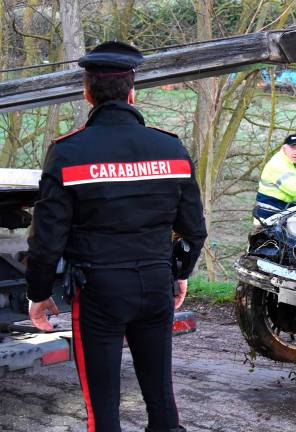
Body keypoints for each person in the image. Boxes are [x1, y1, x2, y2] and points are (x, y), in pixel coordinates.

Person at [25, 41, 206, 432]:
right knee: (161, 398)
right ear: (132, 90)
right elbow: (195, 229)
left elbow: (47, 238)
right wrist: (179, 272)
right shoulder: (171, 147)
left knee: (102, 408)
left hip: (99, 292)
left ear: (87, 93)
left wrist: (39, 295)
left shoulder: (68, 153)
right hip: (156, 283)